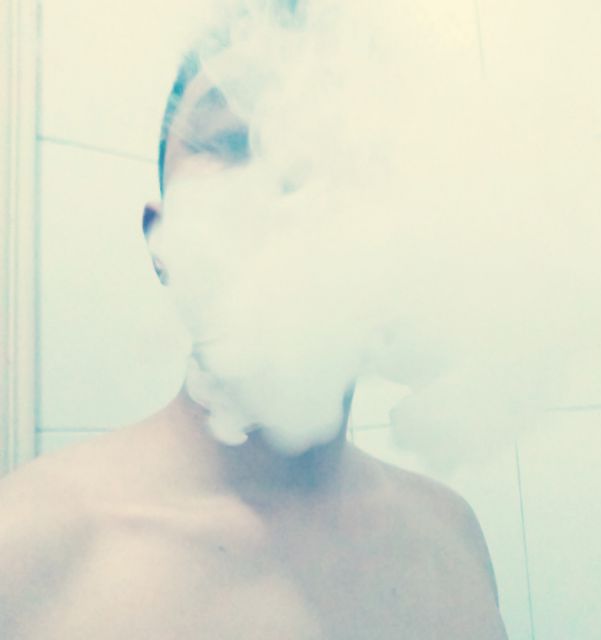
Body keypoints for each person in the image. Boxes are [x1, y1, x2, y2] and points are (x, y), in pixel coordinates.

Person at [0, 44, 508, 640]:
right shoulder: (23, 549)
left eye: (332, 146)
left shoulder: (452, 533)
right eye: (233, 138)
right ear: (161, 240)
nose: (285, 174)